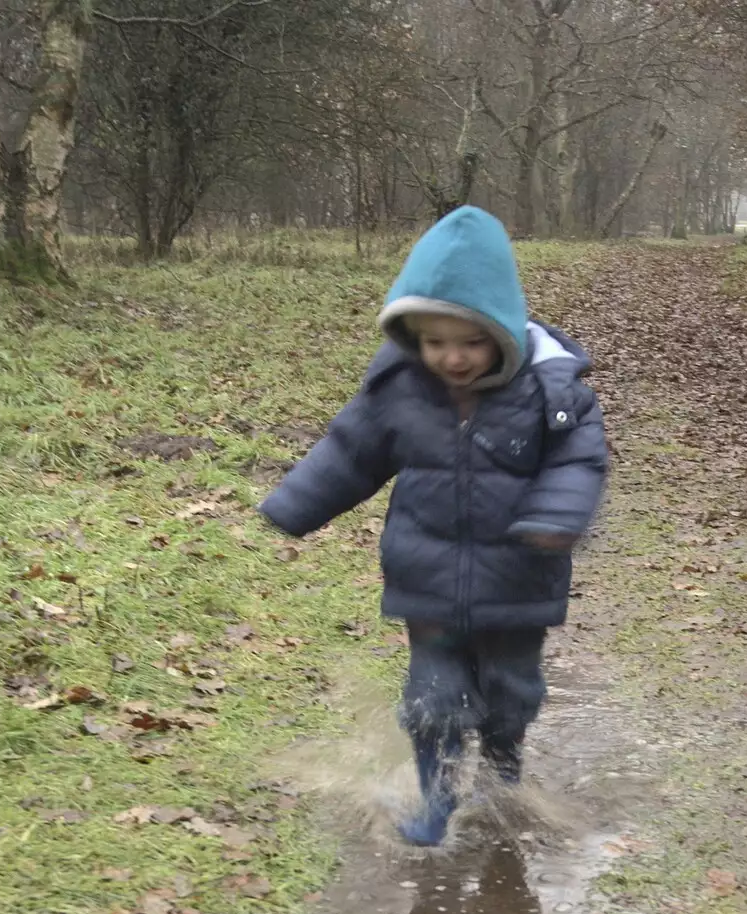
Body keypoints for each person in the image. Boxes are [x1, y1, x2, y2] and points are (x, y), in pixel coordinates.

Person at [258, 205, 607, 846]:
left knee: (511, 692)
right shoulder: (399, 390)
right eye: (435, 341)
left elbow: (579, 460)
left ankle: (502, 772)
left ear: (503, 330)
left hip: (519, 578)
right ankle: (436, 804)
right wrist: (294, 505)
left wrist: (557, 516)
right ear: (412, 334)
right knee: (433, 701)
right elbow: (349, 452)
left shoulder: (551, 393)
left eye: (472, 341)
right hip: (428, 581)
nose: (453, 358)